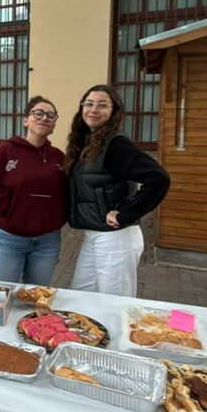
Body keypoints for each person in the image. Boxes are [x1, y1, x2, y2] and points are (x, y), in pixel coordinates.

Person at [64, 83, 170, 298]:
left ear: (114, 112)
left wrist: (125, 213)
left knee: (115, 303)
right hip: (93, 234)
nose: (94, 109)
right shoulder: (89, 143)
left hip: (116, 238)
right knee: (81, 296)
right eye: (89, 104)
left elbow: (158, 178)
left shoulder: (116, 144)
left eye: (102, 105)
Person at [0, 96, 67, 284]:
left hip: (48, 242)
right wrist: (5, 205)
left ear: (53, 124)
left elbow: (68, 191)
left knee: (36, 295)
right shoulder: (6, 151)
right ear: (26, 120)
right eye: (38, 113)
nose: (45, 118)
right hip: (11, 239)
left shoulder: (58, 158)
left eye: (51, 115)